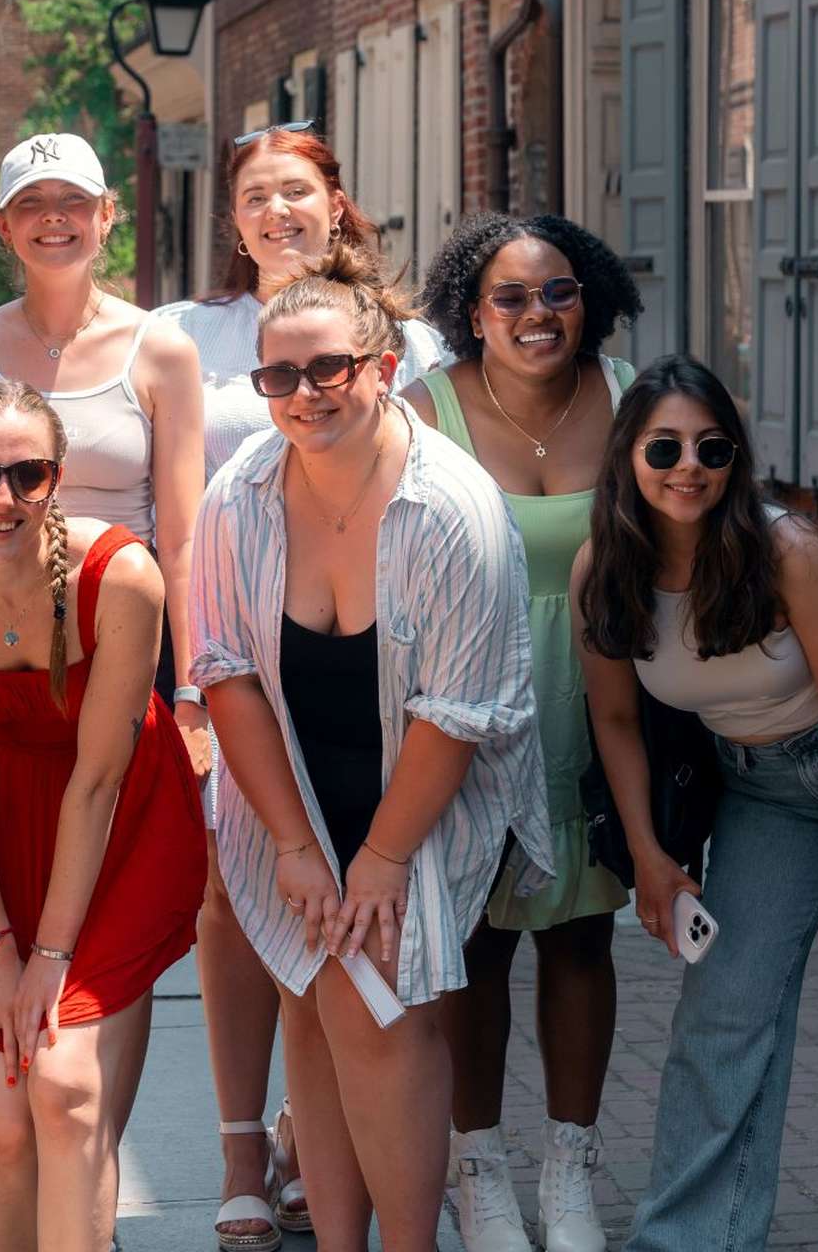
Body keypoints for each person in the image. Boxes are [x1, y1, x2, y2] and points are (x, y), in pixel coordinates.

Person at [188, 243, 549, 1252]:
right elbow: (225, 673)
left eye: (327, 368)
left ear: (382, 368)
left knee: (378, 1009)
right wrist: (298, 848)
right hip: (288, 792)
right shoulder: (239, 495)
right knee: (309, 998)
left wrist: (381, 859)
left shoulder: (449, 507)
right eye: (278, 375)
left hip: (423, 791)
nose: (303, 394)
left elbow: (458, 711)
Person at [154, 119, 448, 1246]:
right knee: (241, 894)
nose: (275, 213)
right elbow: (182, 518)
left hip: (370, 662)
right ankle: (243, 1145)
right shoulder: (190, 334)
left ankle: (309, 1136)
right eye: (253, 198)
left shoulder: (404, 343)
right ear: (231, 222)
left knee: (352, 896)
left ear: (335, 205)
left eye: (295, 193)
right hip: (237, 653)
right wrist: (193, 676)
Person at [571, 357, 818, 1252]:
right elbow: (615, 719)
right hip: (764, 783)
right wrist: (646, 852)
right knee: (727, 1003)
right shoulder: (603, 568)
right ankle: (689, 1239)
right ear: (628, 458)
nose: (691, 466)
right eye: (666, 447)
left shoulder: (786, 550)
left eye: (712, 448)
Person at [0, 377, 205, 1252]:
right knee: (7, 1116)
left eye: (30, 474)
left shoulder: (119, 574)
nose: (3, 498)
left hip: (114, 827)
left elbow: (99, 780)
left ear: (59, 478)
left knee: (64, 1090)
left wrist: (49, 954)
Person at [0, 132, 208, 1147]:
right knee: (6, 910)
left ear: (105, 219)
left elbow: (177, 529)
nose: (54, 218)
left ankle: (88, 1160)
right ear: (4, 226)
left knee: (106, 923)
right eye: (31, 202)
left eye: (74, 201)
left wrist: (192, 692)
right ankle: (28, 1156)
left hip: (119, 660)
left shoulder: (158, 349)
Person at [402, 213, 643, 1252]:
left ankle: (571, 1169)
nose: (536, 314)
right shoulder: (422, 409)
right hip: (473, 701)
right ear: (470, 310)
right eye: (509, 296)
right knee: (478, 942)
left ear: (586, 298)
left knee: (583, 932)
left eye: (556, 292)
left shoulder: (631, 396)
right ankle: (478, 1168)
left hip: (608, 703)